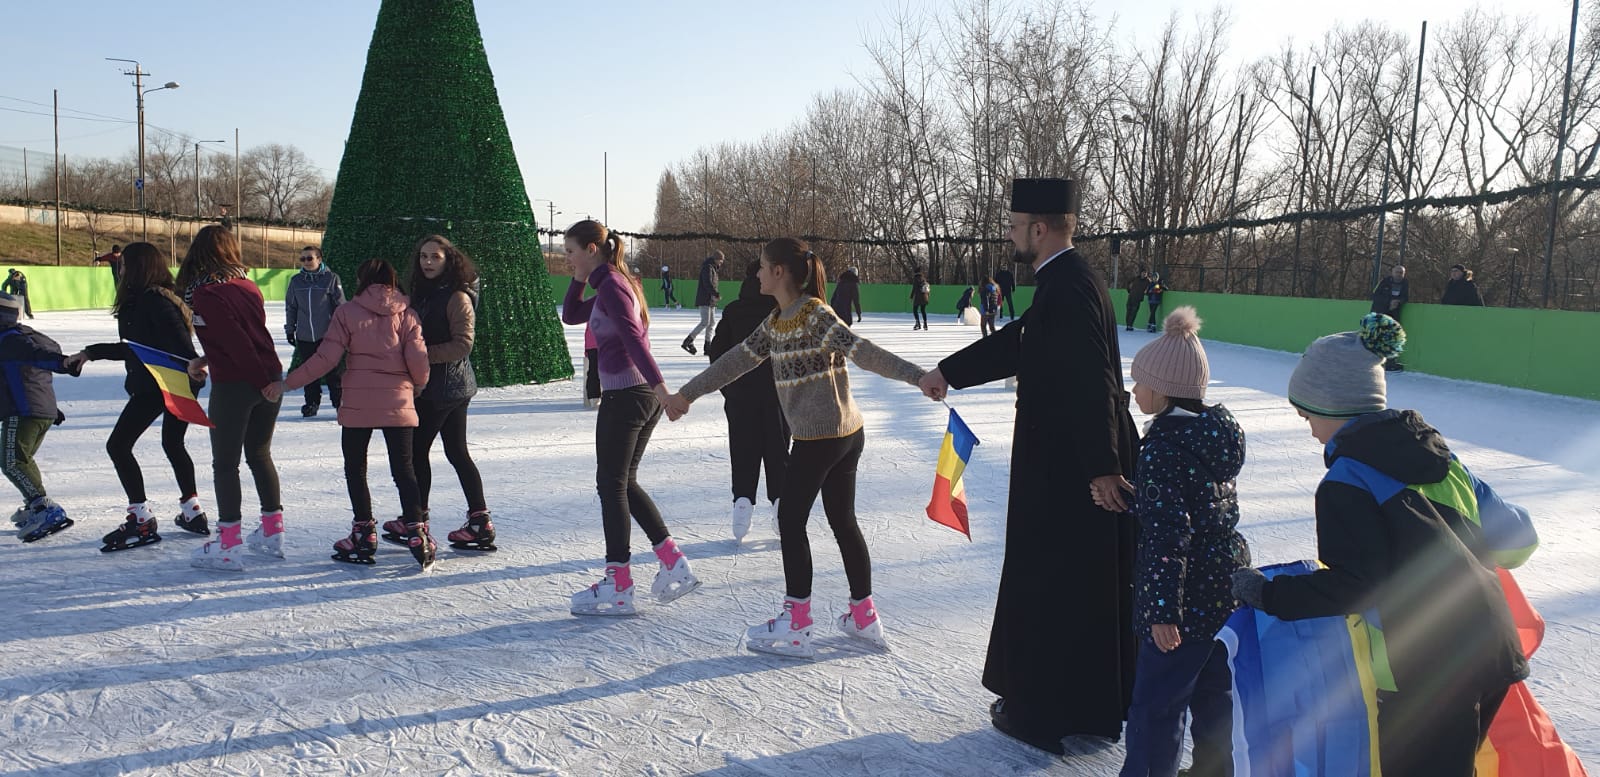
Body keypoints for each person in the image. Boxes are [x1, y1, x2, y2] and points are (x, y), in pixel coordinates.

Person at [1231, 313, 1531, 777]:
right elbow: (1519, 541)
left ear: (1334, 407)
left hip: (1426, 663)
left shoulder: (1347, 480)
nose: (1309, 429)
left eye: (1307, 415)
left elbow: (1357, 585)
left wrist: (1269, 594)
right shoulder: (1446, 461)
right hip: (1491, 648)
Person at [918, 178, 1141, 753]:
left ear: (1040, 229)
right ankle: (1086, 705)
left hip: (1069, 467)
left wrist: (1102, 467)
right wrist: (951, 371)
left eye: (1015, 227)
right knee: (1077, 581)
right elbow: (1021, 342)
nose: (1011, 236)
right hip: (1071, 459)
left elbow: (1091, 381)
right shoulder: (1069, 281)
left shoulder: (1067, 287)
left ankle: (1040, 713)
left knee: (1050, 581)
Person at [665, 237, 926, 658]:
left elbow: (863, 352)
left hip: (821, 439)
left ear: (779, 272)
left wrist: (918, 376)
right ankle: (863, 616)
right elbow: (734, 361)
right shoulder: (777, 321)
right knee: (842, 521)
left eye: (762, 266)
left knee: (790, 522)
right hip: (845, 434)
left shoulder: (814, 315)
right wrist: (686, 394)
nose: (757, 273)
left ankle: (798, 623)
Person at [1116, 306, 1248, 777]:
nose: (1135, 391)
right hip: (1224, 586)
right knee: (1214, 693)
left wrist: (1162, 612)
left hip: (1184, 598)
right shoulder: (1216, 435)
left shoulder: (1163, 450)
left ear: (1163, 389)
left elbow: (1168, 538)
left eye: (1141, 383)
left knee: (1158, 704)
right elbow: (1197, 507)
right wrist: (1138, 499)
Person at [562, 220, 701, 616]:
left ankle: (619, 583)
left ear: (592, 249)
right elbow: (571, 314)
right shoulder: (610, 283)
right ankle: (672, 562)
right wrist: (578, 276)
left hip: (628, 396)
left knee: (611, 484)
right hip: (633, 395)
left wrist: (663, 391)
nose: (567, 258)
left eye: (571, 251)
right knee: (622, 482)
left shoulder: (612, 286)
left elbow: (634, 341)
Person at [277, 259, 432, 568]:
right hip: (397, 399)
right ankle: (416, 531)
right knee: (404, 469)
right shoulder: (407, 314)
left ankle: (363, 533)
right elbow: (419, 360)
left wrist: (287, 384)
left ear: (361, 280)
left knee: (356, 468)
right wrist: (418, 385)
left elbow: (325, 358)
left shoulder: (347, 313)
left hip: (358, 402)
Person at [75, 242, 212, 551]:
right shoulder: (145, 299)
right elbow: (135, 348)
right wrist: (89, 353)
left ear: (138, 267)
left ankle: (142, 519)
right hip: (164, 382)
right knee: (172, 443)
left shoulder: (154, 301)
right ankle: (192, 511)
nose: (120, 269)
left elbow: (178, 345)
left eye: (124, 264)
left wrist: (192, 370)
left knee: (118, 445)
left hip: (161, 385)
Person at [179, 225, 284, 572]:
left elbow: (238, 342)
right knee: (259, 454)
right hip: (268, 376)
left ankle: (228, 544)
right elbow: (243, 336)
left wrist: (259, 382)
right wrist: (204, 359)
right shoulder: (246, 284)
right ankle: (272, 532)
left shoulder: (207, 293)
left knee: (225, 463)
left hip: (240, 384)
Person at [397, 235, 496, 553]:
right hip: (444, 387)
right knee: (456, 452)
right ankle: (479, 521)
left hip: (443, 389)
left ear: (448, 259)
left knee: (416, 452)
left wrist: (421, 354)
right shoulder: (424, 292)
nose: (427, 262)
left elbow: (463, 344)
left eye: (435, 257)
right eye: (423, 256)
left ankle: (417, 519)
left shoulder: (457, 296)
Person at [705, 258, 789, 542]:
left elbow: (717, 355)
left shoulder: (734, 310)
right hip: (778, 396)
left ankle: (742, 507)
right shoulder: (782, 312)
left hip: (741, 397)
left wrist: (730, 388)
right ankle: (781, 509)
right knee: (778, 452)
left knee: (743, 451)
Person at [2, 292, 82, 543]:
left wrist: (64, 363)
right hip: (41, 411)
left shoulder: (12, 341)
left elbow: (39, 356)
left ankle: (44, 508)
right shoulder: (22, 337)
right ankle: (35, 506)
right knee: (22, 460)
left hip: (23, 412)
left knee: (12, 461)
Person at [284, 246, 347, 418]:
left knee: (333, 372)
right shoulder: (296, 281)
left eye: (309, 258)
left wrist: (342, 330)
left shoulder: (331, 279)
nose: (306, 262)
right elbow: (291, 307)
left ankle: (339, 403)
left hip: (328, 336)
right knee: (309, 372)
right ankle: (312, 402)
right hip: (305, 335)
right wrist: (290, 329)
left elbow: (341, 307)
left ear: (319, 259)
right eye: (302, 259)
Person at [682, 251, 724, 354]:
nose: (721, 262)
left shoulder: (713, 268)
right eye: (721, 260)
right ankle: (689, 340)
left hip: (710, 299)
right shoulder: (707, 267)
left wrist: (714, 295)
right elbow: (707, 283)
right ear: (716, 259)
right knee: (705, 322)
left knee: (711, 323)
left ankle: (707, 345)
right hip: (705, 299)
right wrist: (715, 293)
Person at [1369, 265, 1408, 371]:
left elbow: (1406, 297)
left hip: (1394, 314)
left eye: (1401, 273)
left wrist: (1398, 301)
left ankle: (1390, 363)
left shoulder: (1405, 283)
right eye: (1397, 272)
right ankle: (1373, 361)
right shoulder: (1384, 282)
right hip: (1379, 313)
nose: (1399, 274)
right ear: (1392, 272)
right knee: (1377, 337)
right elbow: (1375, 296)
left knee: (1392, 337)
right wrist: (1389, 302)